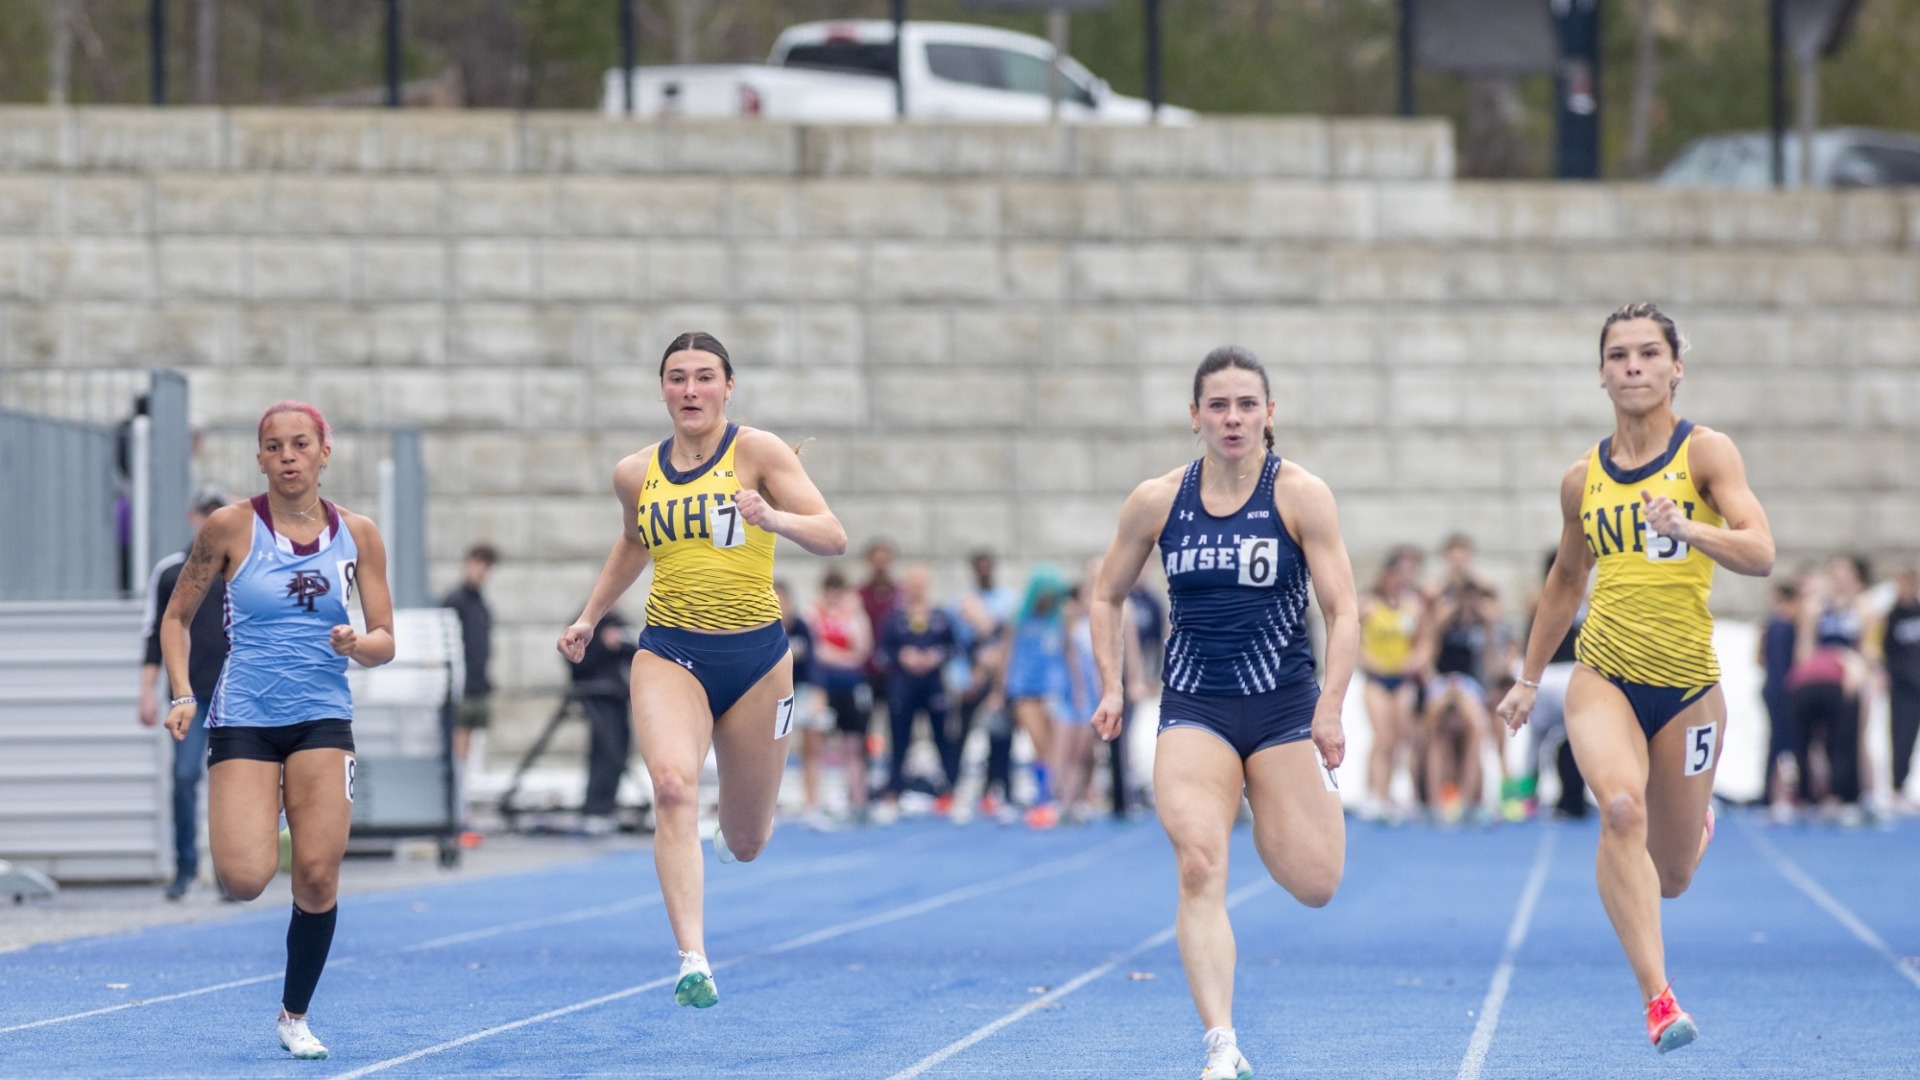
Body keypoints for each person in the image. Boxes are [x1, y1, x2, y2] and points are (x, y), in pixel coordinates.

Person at [1497, 303, 1774, 1055]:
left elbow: (1760, 552)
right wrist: (1528, 678)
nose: (1633, 368)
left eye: (1649, 354)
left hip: (1688, 689)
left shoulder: (1707, 455)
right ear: (1601, 373)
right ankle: (1659, 999)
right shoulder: (1581, 479)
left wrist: (1692, 529)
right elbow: (1563, 581)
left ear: (1675, 367)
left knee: (1673, 873)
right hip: (1605, 675)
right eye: (1618, 356)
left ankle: (1696, 825)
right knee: (1620, 811)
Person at [1088, 345, 1359, 1080]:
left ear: (1270, 414)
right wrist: (1113, 685)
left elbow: (1342, 609)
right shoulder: (1158, 499)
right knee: (1200, 861)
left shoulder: (1301, 495)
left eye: (1246, 405)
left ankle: (1275, 806)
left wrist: (1330, 709)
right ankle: (1222, 1045)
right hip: (1194, 707)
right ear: (1195, 417)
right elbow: (1106, 593)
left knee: (1315, 882)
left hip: (1282, 711)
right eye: (1218, 406)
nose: (1232, 418)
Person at [556, 331, 845, 1011]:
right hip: (669, 652)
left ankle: (733, 829)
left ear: (727, 387)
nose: (691, 390)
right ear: (662, 389)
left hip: (757, 661)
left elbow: (832, 533)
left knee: (747, 842)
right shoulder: (635, 473)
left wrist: (771, 515)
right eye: (678, 378)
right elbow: (632, 541)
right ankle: (693, 958)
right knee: (673, 788)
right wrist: (591, 616)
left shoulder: (759, 452)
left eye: (704, 378)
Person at [159, 401, 396, 1060]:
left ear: (325, 451)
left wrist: (357, 642)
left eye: (300, 444)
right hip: (246, 721)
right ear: (260, 459)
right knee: (243, 878)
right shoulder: (229, 528)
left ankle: (294, 1013)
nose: (288, 456)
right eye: (274, 446)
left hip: (323, 717)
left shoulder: (360, 534)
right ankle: (265, 809)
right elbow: (177, 619)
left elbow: (386, 640)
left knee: (318, 877)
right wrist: (182, 692)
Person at [138, 485, 232, 900]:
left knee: (232, 784)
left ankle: (232, 872)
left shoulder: (240, 568)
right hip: (188, 696)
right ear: (193, 517)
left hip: (236, 696)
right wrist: (146, 691)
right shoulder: (172, 571)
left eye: (219, 513)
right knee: (184, 776)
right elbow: (154, 633)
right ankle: (185, 868)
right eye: (205, 513)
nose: (211, 520)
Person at [875, 563, 958, 820]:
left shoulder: (940, 616)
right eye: (913, 582)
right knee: (899, 740)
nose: (918, 588)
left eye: (922, 583)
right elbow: (882, 652)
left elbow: (953, 647)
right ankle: (893, 793)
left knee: (942, 739)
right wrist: (903, 656)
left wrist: (936, 656)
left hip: (933, 684)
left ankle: (949, 793)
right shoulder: (895, 618)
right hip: (903, 684)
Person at [1002, 565, 1073, 829]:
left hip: (1052, 687)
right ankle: (1043, 798)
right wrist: (1001, 691)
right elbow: (1007, 654)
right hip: (1024, 689)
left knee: (1053, 745)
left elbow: (1068, 653)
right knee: (1039, 742)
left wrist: (1073, 688)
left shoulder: (1062, 617)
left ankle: (1051, 797)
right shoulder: (1019, 618)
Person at [1357, 545, 1424, 822]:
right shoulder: (1369, 605)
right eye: (1393, 576)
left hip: (1402, 677)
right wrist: (1366, 660)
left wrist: (1415, 661)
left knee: (1401, 739)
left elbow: (1424, 641)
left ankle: (1392, 792)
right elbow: (1353, 639)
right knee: (1382, 738)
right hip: (1377, 678)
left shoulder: (1413, 606)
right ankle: (1375, 794)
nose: (1398, 582)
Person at [810, 569, 876, 822]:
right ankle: (819, 802)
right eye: (830, 590)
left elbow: (863, 650)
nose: (834, 596)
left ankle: (857, 801)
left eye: (838, 591)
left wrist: (834, 655)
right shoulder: (814, 613)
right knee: (819, 746)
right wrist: (843, 657)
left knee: (853, 745)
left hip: (852, 687)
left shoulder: (854, 615)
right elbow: (816, 650)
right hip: (824, 688)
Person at [574, 609, 638, 836]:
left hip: (618, 696)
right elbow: (576, 662)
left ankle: (608, 803)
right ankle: (596, 806)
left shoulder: (617, 621)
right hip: (597, 696)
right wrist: (602, 645)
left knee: (619, 748)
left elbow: (636, 651)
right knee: (603, 750)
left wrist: (619, 643)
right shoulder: (583, 619)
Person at [775, 580, 833, 827]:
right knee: (772, 751)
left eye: (783, 600)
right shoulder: (762, 627)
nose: (779, 606)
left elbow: (813, 663)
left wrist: (819, 692)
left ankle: (812, 803)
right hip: (772, 693)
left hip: (803, 689)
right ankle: (766, 807)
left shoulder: (802, 627)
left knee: (812, 745)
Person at [443, 544, 497, 769]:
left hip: (478, 682)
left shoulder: (481, 604)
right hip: (460, 684)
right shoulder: (455, 601)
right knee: (459, 739)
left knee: (474, 742)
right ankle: (458, 795)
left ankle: (465, 790)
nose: (482, 570)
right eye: (478, 563)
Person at [1883, 567, 1920, 814]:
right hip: (1903, 689)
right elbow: (1883, 650)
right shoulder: (1891, 616)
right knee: (1902, 738)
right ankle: (1898, 789)